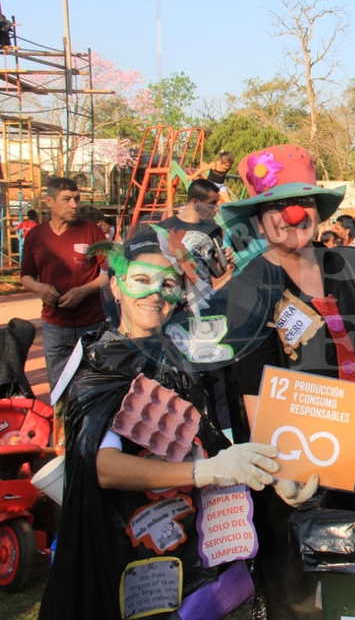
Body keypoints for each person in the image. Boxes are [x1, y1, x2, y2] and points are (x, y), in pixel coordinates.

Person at [38, 230, 290, 620]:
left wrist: (271, 474)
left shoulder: (176, 354)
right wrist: (203, 471)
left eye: (169, 284)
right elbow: (101, 467)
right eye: (142, 279)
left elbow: (207, 439)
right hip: (129, 550)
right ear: (117, 287)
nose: (156, 293)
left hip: (195, 543)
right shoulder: (100, 363)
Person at [219, 144, 355, 618]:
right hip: (297, 467)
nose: (293, 215)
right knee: (299, 590)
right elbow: (251, 389)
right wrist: (282, 472)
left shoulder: (349, 269)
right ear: (258, 220)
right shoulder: (250, 286)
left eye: (303, 204)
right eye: (277, 207)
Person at [20, 177, 109, 389]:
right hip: (55, 326)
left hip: (92, 324)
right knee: (59, 388)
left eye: (77, 199)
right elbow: (25, 276)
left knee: (93, 387)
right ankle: (60, 422)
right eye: (67, 199)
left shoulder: (91, 231)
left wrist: (84, 291)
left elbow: (108, 272)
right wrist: (40, 288)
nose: (74, 205)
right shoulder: (36, 235)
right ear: (48, 201)